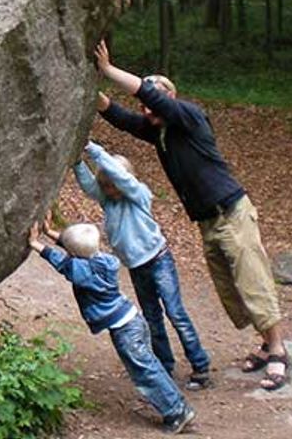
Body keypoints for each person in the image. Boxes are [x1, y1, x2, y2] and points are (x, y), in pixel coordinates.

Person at [93, 39, 287, 391]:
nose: (149, 107)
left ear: (171, 98)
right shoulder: (161, 133)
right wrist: (88, 88)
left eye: (155, 98)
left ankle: (277, 350)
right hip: (208, 222)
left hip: (231, 213)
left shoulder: (190, 117)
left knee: (253, 282)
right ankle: (264, 342)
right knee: (233, 290)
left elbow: (148, 96)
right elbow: (119, 117)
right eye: (148, 102)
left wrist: (108, 71)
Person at [28, 221, 196, 434]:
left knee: (144, 371)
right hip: (134, 320)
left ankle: (175, 411)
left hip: (125, 330)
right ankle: (177, 403)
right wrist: (50, 232)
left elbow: (62, 262)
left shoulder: (85, 273)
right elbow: (76, 251)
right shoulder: (104, 260)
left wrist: (35, 243)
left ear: (73, 253)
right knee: (149, 365)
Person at [73, 140, 212, 390]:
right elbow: (88, 186)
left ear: (124, 181)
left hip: (159, 261)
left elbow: (120, 178)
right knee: (152, 317)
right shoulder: (109, 201)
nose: (109, 191)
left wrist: (95, 151)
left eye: (112, 186)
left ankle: (200, 365)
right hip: (137, 268)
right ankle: (164, 365)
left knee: (175, 313)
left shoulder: (139, 195)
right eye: (106, 187)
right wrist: (75, 161)